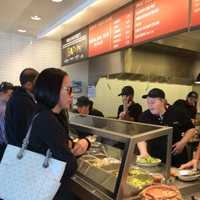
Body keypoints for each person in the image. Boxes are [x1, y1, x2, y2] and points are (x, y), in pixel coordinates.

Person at [29, 68, 90, 199]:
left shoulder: (45, 113)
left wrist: (79, 144)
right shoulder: (47, 119)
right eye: (68, 90)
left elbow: (60, 145)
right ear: (53, 90)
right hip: (50, 192)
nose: (72, 95)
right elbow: (69, 166)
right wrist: (82, 146)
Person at [137, 88, 196, 167]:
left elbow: (191, 129)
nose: (150, 105)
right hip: (154, 159)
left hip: (177, 159)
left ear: (163, 101)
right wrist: (144, 152)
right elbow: (140, 137)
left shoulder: (177, 112)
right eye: (148, 102)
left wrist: (182, 142)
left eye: (153, 102)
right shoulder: (144, 116)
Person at [5, 68, 39, 146]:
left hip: (15, 147)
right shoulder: (23, 101)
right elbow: (23, 131)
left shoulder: (17, 97)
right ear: (28, 84)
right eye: (37, 83)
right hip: (20, 150)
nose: (39, 86)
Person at [0, 82, 14, 159]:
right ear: (2, 93)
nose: (11, 97)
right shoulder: (3, 108)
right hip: (4, 143)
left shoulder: (6, 105)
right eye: (10, 95)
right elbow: (3, 128)